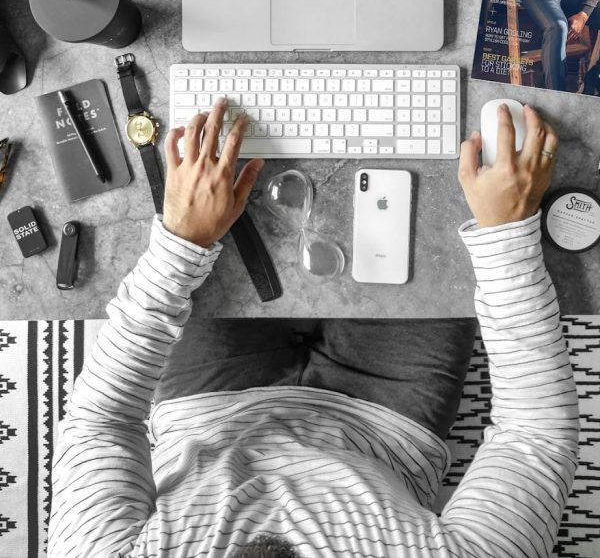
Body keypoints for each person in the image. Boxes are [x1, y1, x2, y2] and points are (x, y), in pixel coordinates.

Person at [48, 99, 579, 558]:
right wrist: (509, 232)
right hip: (387, 423)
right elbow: (534, 438)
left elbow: (102, 421)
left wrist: (180, 244)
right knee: (433, 214)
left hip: (206, 408)